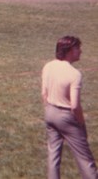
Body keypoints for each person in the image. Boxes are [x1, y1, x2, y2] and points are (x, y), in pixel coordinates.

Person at [41, 36, 98, 179]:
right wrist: (81, 123)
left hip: (50, 113)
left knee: (53, 156)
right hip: (67, 117)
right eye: (78, 48)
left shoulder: (48, 66)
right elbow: (74, 105)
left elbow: (44, 93)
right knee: (85, 159)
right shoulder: (74, 74)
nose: (81, 51)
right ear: (70, 50)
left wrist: (49, 110)